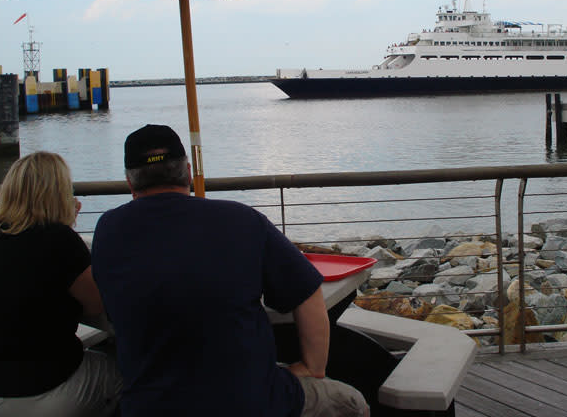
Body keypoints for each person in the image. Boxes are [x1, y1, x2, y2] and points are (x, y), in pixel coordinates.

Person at [92, 124, 369, 417]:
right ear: (188, 172)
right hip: (250, 402)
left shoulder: (108, 231)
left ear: (130, 183)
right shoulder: (240, 220)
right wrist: (313, 366)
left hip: (151, 406)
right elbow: (307, 290)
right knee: (351, 404)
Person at [0, 152, 122, 416]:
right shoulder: (59, 241)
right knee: (127, 374)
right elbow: (98, 304)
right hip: (33, 391)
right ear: (58, 193)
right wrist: (69, 227)